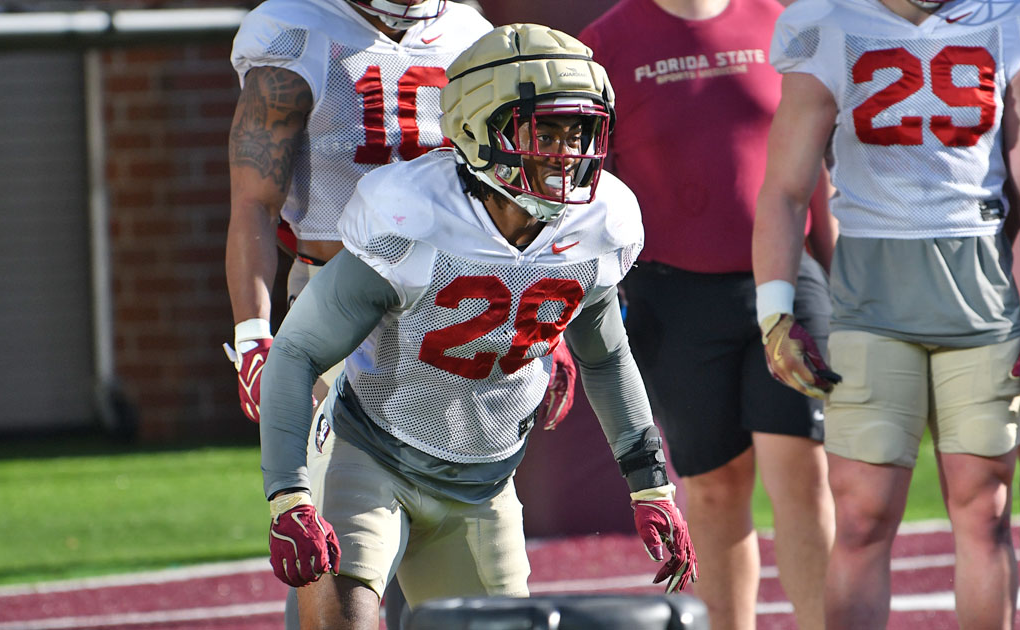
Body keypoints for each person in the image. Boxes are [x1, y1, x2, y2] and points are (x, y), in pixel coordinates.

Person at [257, 23, 697, 629]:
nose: (565, 154)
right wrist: (289, 496)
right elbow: (297, 351)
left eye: (579, 131)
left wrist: (651, 486)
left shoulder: (602, 221)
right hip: (372, 453)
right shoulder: (412, 216)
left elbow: (605, 356)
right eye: (545, 131)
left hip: (483, 480)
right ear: (476, 128)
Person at [754, 0, 1020, 627]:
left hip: (982, 294)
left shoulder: (1009, 16)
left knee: (985, 510)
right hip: (869, 297)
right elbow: (783, 188)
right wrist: (775, 310)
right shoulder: (829, 22)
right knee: (861, 516)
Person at [224, 2, 492, 626]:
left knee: (453, 520)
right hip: (337, 309)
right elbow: (253, 203)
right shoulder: (296, 28)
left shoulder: (472, 35)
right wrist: (255, 334)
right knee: (338, 536)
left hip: (455, 309)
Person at [577, 1, 837, 628]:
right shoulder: (607, 41)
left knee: (802, 474)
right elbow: (586, 184)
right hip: (673, 299)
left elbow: (810, 159)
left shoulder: (781, 19)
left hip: (786, 282)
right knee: (715, 491)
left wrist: (835, 271)